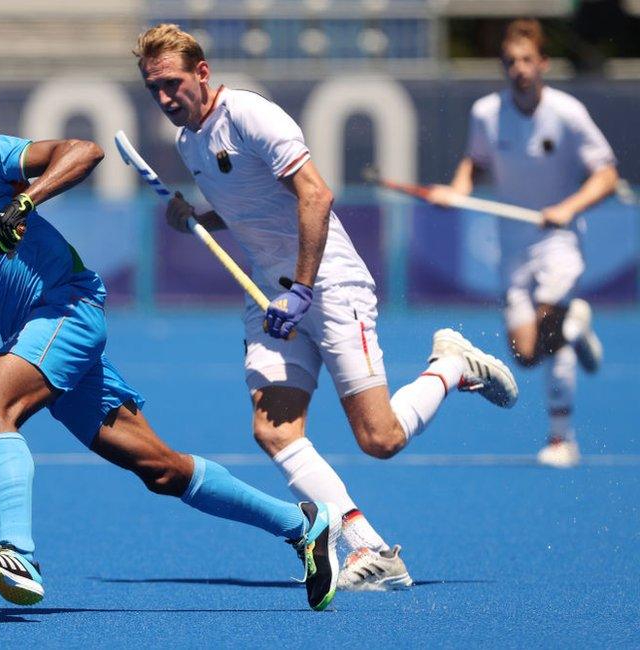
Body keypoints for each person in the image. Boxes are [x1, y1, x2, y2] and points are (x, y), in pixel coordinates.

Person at [0, 102, 345, 611]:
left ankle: (19, 555)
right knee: (161, 470)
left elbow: (84, 151)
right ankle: (302, 524)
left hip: (66, 308)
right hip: (29, 336)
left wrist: (24, 202)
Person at [133, 24, 520, 591]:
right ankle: (369, 547)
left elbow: (315, 194)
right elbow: (251, 204)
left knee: (380, 439)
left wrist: (305, 289)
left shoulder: (249, 116)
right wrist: (199, 216)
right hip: (268, 296)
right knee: (273, 430)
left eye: (172, 83)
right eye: (153, 89)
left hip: (328, 286)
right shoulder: (189, 141)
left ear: (202, 73)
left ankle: (451, 366)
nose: (165, 98)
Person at [428, 18, 617, 468]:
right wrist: (458, 189)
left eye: (527, 60)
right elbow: (474, 162)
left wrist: (568, 208)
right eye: (510, 61)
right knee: (526, 355)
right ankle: (578, 323)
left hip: (559, 242)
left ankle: (560, 439)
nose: (519, 69)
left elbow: (607, 174)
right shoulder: (486, 114)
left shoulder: (568, 114)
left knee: (552, 325)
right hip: (512, 247)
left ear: (543, 64)